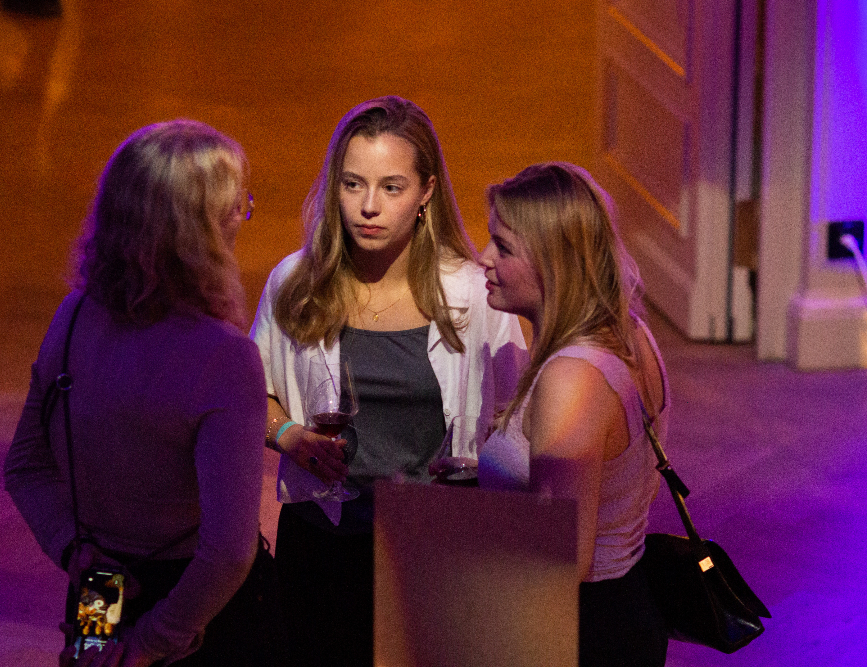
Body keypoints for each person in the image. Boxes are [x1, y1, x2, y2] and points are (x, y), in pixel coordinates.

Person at [250, 96, 527, 666]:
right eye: (353, 185)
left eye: (391, 187)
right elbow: (255, 391)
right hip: (323, 540)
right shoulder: (296, 282)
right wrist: (290, 437)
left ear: (426, 191)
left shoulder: (475, 295)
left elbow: (519, 412)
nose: (368, 207)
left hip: (440, 548)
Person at [5, 120, 281, 666]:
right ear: (200, 232)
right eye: (236, 209)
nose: (241, 220)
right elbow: (227, 553)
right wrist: (149, 644)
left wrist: (75, 551)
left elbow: (24, 467)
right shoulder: (224, 356)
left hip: (97, 584)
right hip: (200, 608)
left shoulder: (73, 316)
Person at [477, 163, 669, 666]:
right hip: (625, 603)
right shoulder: (632, 333)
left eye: (503, 247)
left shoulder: (571, 378)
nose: (484, 258)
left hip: (579, 632)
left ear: (554, 261)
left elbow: (563, 560)